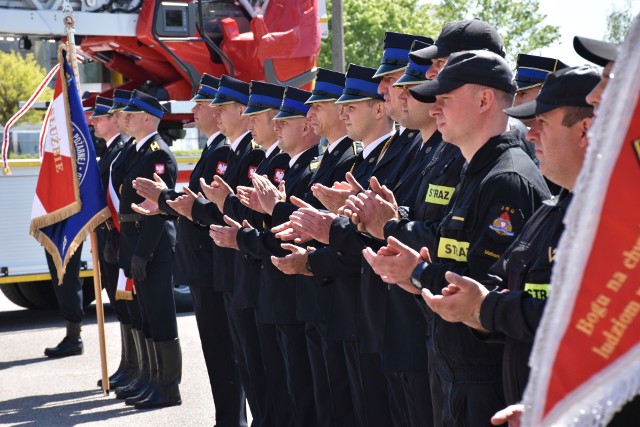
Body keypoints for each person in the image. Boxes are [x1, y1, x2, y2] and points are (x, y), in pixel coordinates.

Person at [362, 50, 551, 426]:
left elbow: (479, 289)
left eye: (445, 99)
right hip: (453, 366)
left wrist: (416, 273)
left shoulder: (506, 179)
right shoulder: (475, 171)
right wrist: (413, 271)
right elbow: (455, 260)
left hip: (483, 379)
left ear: (484, 100)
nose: (434, 110)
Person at [131, 74, 248, 426]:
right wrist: (167, 205)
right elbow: (197, 202)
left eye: (204, 104)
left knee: (226, 353)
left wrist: (166, 202)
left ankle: (232, 420)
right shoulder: (217, 148)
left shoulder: (227, 151)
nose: (195, 110)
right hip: (204, 265)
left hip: (216, 264)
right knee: (217, 353)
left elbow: (213, 208)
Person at [117, 90, 181, 409]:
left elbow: (157, 209)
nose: (124, 119)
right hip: (135, 241)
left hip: (151, 244)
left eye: (131, 115)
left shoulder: (157, 154)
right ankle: (151, 380)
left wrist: (143, 253)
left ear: (147, 118)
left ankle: (168, 388)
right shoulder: (135, 151)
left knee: (160, 316)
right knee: (145, 316)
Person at [90, 96, 136, 389]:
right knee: (120, 306)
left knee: (129, 305)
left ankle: (135, 368)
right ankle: (129, 365)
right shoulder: (110, 150)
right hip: (110, 237)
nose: (94, 121)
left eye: (99, 117)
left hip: (120, 237)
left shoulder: (121, 149)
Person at [43, 246, 84, 358]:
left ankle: (74, 338)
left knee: (66, 279)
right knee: (61, 278)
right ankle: (73, 337)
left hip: (67, 232)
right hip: (58, 230)